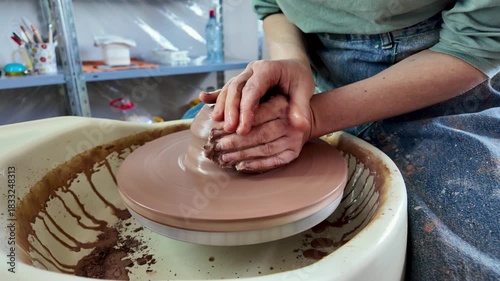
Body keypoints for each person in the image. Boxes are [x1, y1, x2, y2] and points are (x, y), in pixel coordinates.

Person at [185, 0, 500, 280]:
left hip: (440, 81)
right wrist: (294, 65)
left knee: (458, 249)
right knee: (207, 129)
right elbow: (273, 8)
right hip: (314, 73)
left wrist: (313, 119)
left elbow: (477, 43)